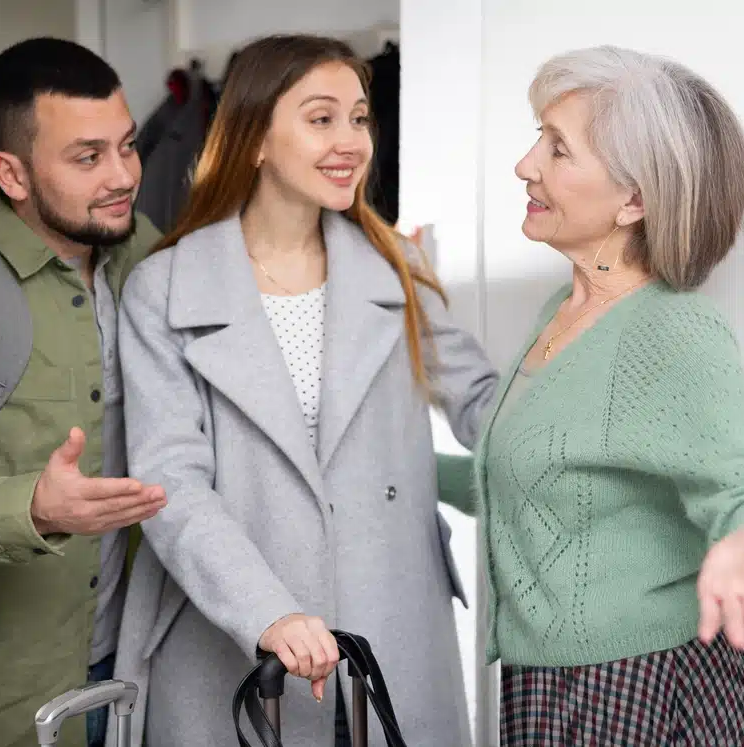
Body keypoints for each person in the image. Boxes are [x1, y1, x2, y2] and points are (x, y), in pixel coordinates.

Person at [109, 34, 498, 747]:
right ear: (254, 137)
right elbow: (170, 482)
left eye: (358, 117)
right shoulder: (163, 288)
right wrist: (268, 612)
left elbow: (483, 403)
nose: (351, 140)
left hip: (391, 617)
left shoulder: (395, 264)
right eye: (322, 118)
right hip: (231, 631)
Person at [454, 45, 744, 745]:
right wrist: (392, 475)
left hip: (639, 691)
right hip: (550, 685)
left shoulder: (671, 330)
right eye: (539, 137)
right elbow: (540, 485)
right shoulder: (561, 313)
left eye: (558, 149)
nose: (526, 164)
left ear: (635, 198)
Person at [0, 37, 167, 747]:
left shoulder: (141, 252)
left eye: (129, 146)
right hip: (6, 701)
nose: (122, 176)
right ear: (12, 175)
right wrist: (32, 507)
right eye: (87, 158)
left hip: (136, 672)